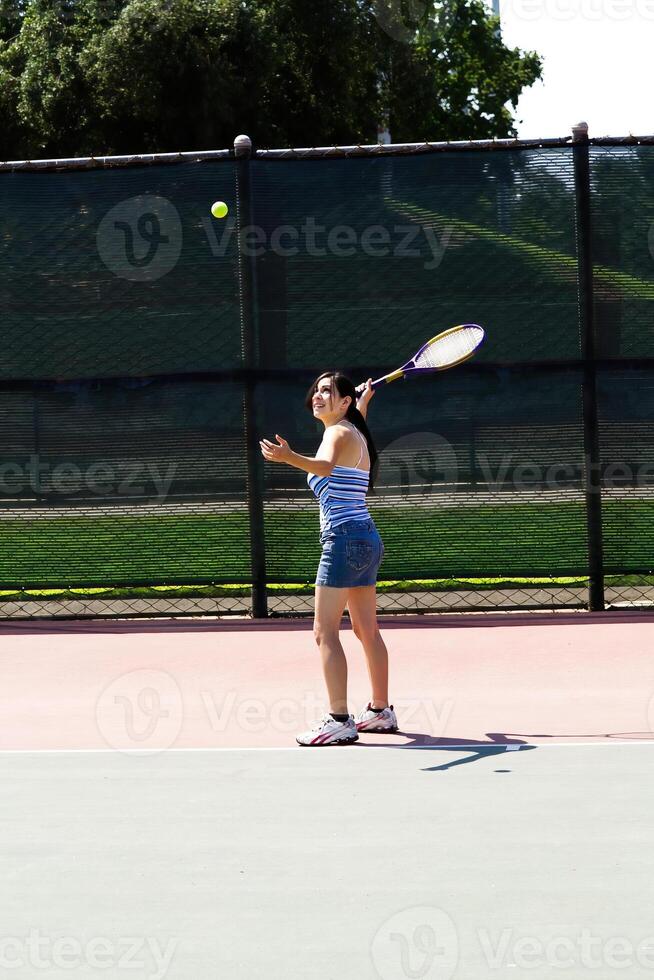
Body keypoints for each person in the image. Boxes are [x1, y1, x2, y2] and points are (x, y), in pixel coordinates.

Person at [259, 371, 397, 746]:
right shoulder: (353, 431)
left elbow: (325, 467)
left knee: (324, 632)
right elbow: (348, 440)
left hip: (344, 540)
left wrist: (288, 457)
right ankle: (380, 711)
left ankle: (339, 719)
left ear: (343, 402)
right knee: (367, 630)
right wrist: (362, 405)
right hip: (366, 537)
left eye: (328, 392)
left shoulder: (338, 434)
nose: (318, 396)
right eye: (317, 390)